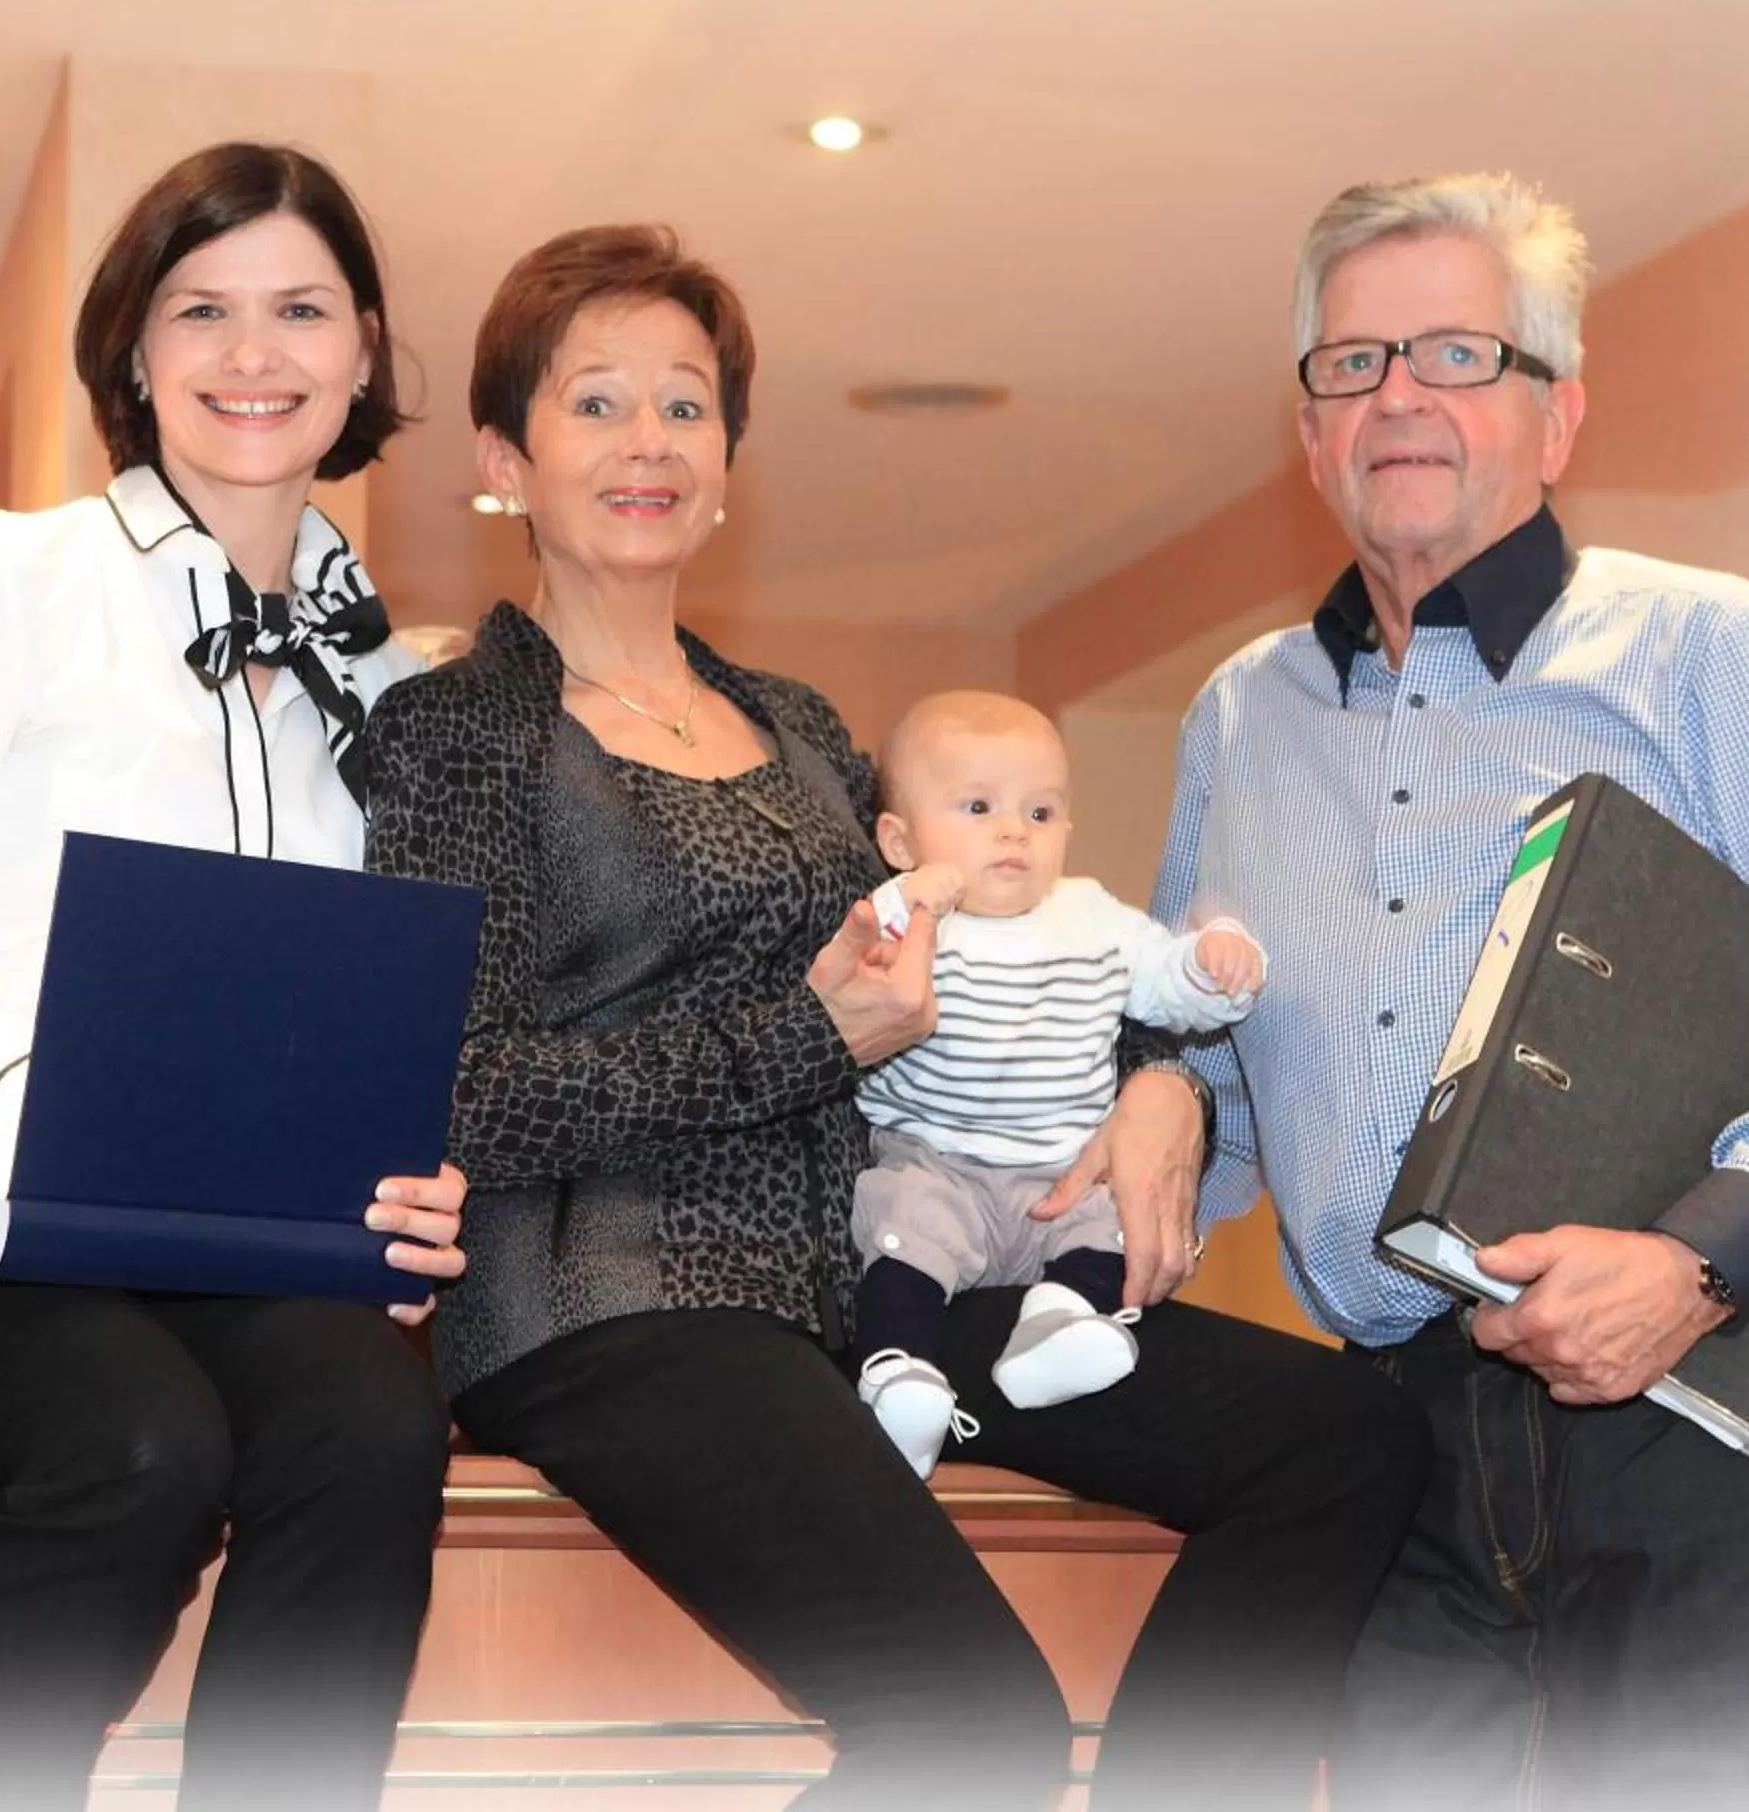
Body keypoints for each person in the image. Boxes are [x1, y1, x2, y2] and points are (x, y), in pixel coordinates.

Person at [363, 224, 1428, 1810]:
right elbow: (456, 1090)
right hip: (608, 1302)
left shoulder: (798, 728)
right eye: (595, 406)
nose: (648, 442)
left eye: (686, 405)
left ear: (728, 453)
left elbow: (1011, 939)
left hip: (860, 1280)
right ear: (507, 453)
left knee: (1347, 1440)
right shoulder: (455, 732)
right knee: (971, 1725)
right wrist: (800, 1041)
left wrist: (1159, 1080)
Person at [1153, 171, 1749, 1810]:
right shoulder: (1243, 718)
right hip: (1395, 1455)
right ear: (1310, 434)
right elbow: (1222, 1056)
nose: (1400, 399)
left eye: (1458, 353)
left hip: (1703, 1423)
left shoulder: (1720, 656)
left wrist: (1696, 1262)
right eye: (1354, 364)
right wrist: (1162, 1095)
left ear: (1559, 412)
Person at [0, 142, 468, 1812]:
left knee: (376, 1432)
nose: (251, 353)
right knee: (138, 1446)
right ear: (134, 355)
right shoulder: (8, 572)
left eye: (299, 308)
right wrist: (70, 1114)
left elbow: (380, 1012)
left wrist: (416, 1175)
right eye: (199, 309)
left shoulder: (398, 673)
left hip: (212, 1250)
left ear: (365, 347)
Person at [847, 690, 1265, 1472]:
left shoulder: (1092, 916)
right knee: (904, 1235)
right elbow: (858, 964)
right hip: (938, 1159)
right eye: (978, 807)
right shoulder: (911, 921)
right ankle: (897, 1377)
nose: (1013, 831)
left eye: (1041, 814)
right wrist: (909, 899)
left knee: (1112, 1220)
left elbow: (1169, 986)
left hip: (1062, 1172)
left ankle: (1059, 1324)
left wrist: (1217, 963)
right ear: (900, 841)